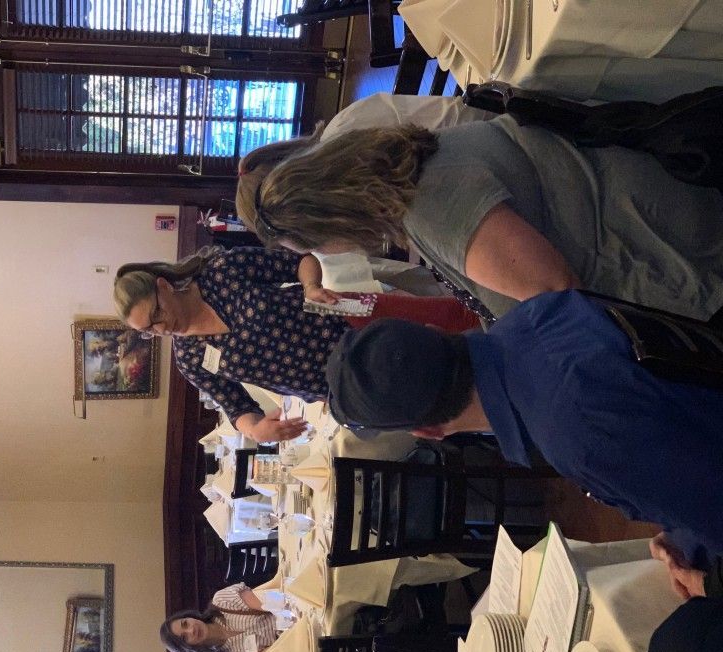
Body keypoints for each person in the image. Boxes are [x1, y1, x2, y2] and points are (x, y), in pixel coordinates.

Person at [324, 290, 723, 569]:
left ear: (429, 432)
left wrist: (697, 562)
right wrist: (679, 527)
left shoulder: (576, 437)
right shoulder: (535, 313)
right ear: (435, 329)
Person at [235, 96, 723, 321]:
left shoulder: (430, 208)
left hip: (666, 255)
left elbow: (559, 296)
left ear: (331, 219)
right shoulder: (410, 160)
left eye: (315, 244)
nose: (326, 253)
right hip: (639, 199)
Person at [114, 246, 479, 442]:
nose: (161, 330)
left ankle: (518, 317)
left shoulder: (221, 272)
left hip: (348, 315)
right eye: (149, 331)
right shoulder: (190, 359)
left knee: (453, 319)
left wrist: (310, 287)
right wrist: (256, 429)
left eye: (157, 315)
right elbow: (235, 407)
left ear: (163, 286)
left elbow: (299, 262)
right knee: (437, 410)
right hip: (340, 387)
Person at [160, 582, 276, 652]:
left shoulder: (221, 602)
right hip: (290, 644)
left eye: (185, 623)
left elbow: (272, 601)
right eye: (185, 637)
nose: (191, 630)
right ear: (189, 649)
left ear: (189, 616)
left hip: (289, 607)